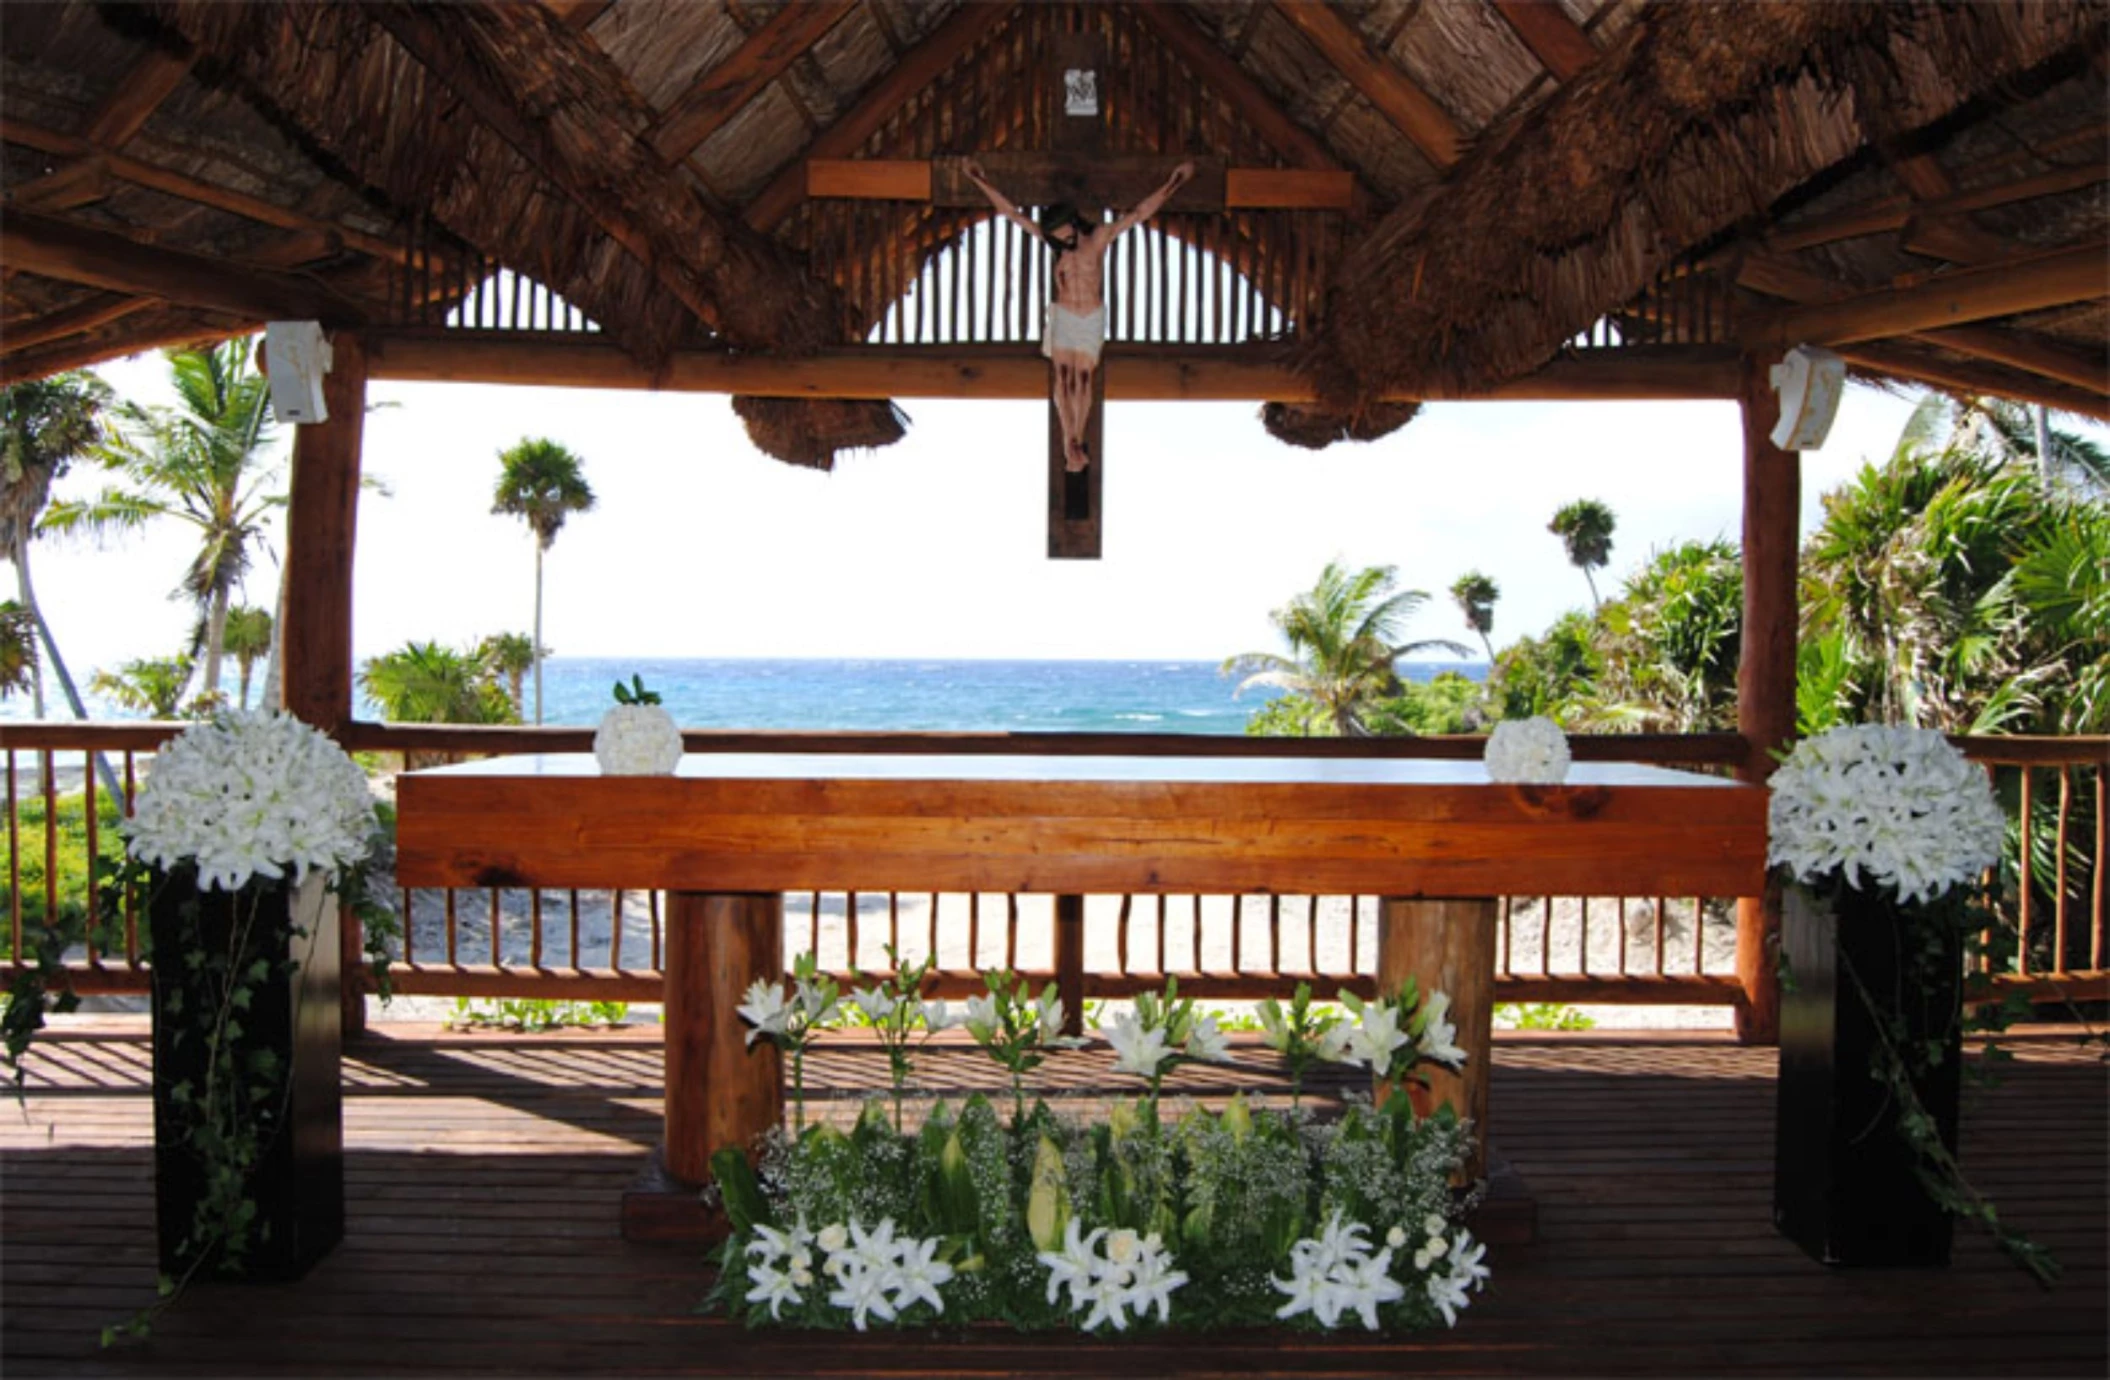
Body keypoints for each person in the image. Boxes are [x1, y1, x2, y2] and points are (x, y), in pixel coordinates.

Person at [964, 158, 1195, 471]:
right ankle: (1068, 441)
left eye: (1060, 233)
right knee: (1063, 377)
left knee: (1083, 377)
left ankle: (1077, 437)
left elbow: (1140, 213)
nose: (1057, 240)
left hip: (1090, 315)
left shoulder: (1098, 239)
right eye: (1054, 236)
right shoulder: (1056, 246)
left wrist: (1175, 181)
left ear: (1071, 224)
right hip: (1065, 314)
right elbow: (1012, 214)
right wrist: (979, 178)